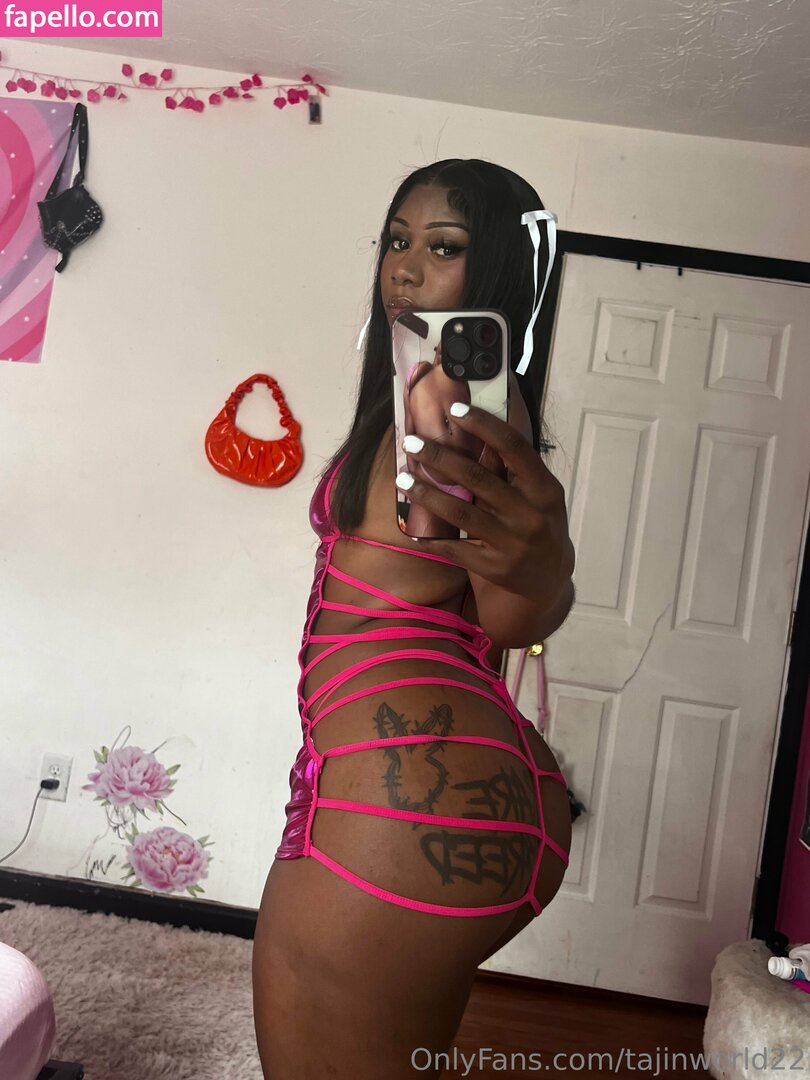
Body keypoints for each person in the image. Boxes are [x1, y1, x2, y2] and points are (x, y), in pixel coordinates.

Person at [252, 159, 576, 1080]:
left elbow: (512, 611)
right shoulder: (425, 392)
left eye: (444, 247)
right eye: (398, 241)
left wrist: (546, 579)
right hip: (444, 784)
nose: (404, 266)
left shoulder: (454, 396)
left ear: (498, 267)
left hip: (397, 798)